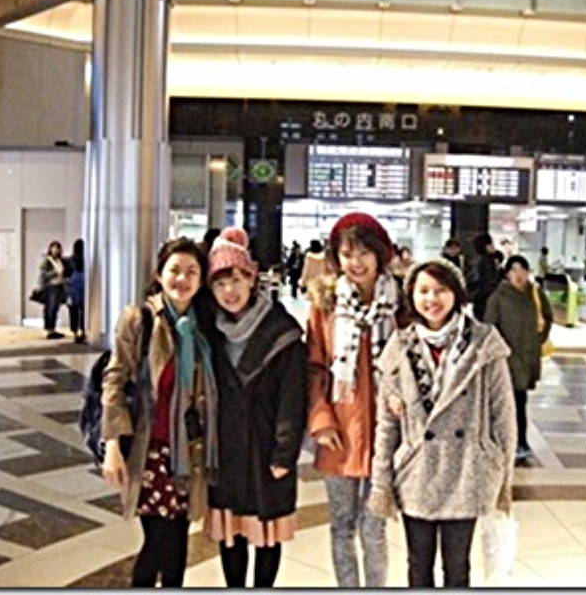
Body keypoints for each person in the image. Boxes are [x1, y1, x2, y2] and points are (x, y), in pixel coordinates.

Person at [367, 258, 516, 587]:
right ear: (411, 295)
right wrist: (381, 481)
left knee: (457, 567)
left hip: (466, 470)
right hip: (417, 472)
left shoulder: (483, 344)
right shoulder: (400, 347)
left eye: (440, 290)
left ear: (456, 294)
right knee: (418, 565)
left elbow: (503, 416)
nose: (431, 299)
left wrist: (503, 476)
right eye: (423, 291)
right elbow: (386, 426)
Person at [101, 237, 216, 588]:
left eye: (192, 272)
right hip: (149, 450)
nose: (182, 279)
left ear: (201, 280)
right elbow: (115, 379)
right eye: (175, 270)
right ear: (159, 274)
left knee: (175, 543)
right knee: (160, 543)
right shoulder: (140, 320)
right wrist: (112, 444)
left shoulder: (204, 326)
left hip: (188, 452)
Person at [306, 212, 406, 588]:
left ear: (380, 254)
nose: (356, 262)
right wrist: (320, 420)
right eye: (347, 254)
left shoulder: (402, 306)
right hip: (339, 433)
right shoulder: (325, 306)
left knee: (373, 527)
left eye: (364, 252)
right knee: (342, 526)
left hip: (387, 433)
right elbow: (314, 368)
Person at [204, 227, 307, 588]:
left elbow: (293, 399)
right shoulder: (210, 332)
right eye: (220, 284)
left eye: (236, 279)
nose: (229, 291)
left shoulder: (282, 332)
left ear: (251, 279)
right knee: (231, 532)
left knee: (267, 533)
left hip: (266, 449)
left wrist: (285, 453)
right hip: (225, 449)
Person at [485, 255, 553, 462]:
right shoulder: (499, 297)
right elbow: (490, 327)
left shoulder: (535, 293)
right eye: (514, 270)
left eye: (523, 270)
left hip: (528, 356)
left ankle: (518, 442)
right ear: (507, 273)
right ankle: (514, 442)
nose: (519, 275)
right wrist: (499, 352)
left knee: (520, 400)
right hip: (507, 358)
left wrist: (538, 340)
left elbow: (547, 317)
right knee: (513, 401)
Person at [468, 232, 503, 321]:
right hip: (486, 302)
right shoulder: (487, 263)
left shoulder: (475, 261)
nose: (494, 246)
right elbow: (491, 283)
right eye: (491, 243)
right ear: (486, 246)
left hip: (479, 301)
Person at [38, 240, 67, 339]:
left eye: (58, 248)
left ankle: (53, 329)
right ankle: (49, 329)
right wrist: (54, 272)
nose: (56, 250)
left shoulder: (60, 260)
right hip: (50, 286)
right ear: (50, 249)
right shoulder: (47, 261)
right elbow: (43, 274)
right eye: (53, 248)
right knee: (51, 307)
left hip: (59, 286)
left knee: (55, 308)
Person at [65, 238, 86, 343]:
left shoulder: (70, 260)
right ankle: (83, 330)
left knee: (73, 310)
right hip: (84, 286)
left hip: (72, 287)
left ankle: (75, 331)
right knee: (83, 310)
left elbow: (66, 274)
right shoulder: (86, 259)